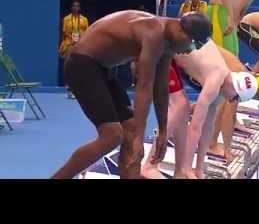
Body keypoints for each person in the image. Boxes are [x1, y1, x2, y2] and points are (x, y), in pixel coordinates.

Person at [51, 11, 212, 179]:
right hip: (81, 64)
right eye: (193, 45)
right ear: (182, 32)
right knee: (112, 136)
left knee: (130, 133)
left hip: (102, 69)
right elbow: (144, 87)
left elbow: (161, 88)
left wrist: (163, 132)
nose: (188, 51)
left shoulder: (168, 43)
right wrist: (139, 139)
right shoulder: (154, 32)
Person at [140, 40, 259, 179]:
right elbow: (195, 128)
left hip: (175, 51)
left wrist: (198, 169)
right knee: (180, 106)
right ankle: (150, 165)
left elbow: (207, 128)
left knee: (184, 108)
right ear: (235, 89)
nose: (231, 101)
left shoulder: (224, 84)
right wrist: (188, 167)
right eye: (235, 99)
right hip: (163, 47)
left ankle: (180, 172)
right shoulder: (215, 80)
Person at [58, 1, 89, 99]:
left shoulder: (84, 19)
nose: (76, 8)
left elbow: (87, 31)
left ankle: (79, 86)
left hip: (81, 44)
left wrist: (80, 38)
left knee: (80, 66)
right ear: (71, 8)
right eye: (74, 6)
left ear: (79, 8)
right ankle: (69, 84)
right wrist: (72, 38)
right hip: (69, 43)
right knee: (69, 64)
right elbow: (64, 31)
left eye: (77, 6)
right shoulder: (66, 19)